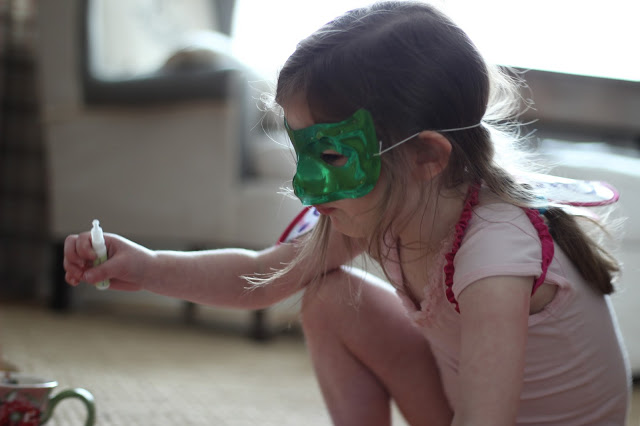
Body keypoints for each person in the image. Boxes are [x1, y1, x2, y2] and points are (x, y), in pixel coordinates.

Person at [63, 2, 630, 425]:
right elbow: (258, 276)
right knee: (329, 297)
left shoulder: (496, 251)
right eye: (302, 151)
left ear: (428, 157)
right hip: (464, 408)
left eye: (330, 154)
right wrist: (149, 266)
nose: (307, 183)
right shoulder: (385, 205)